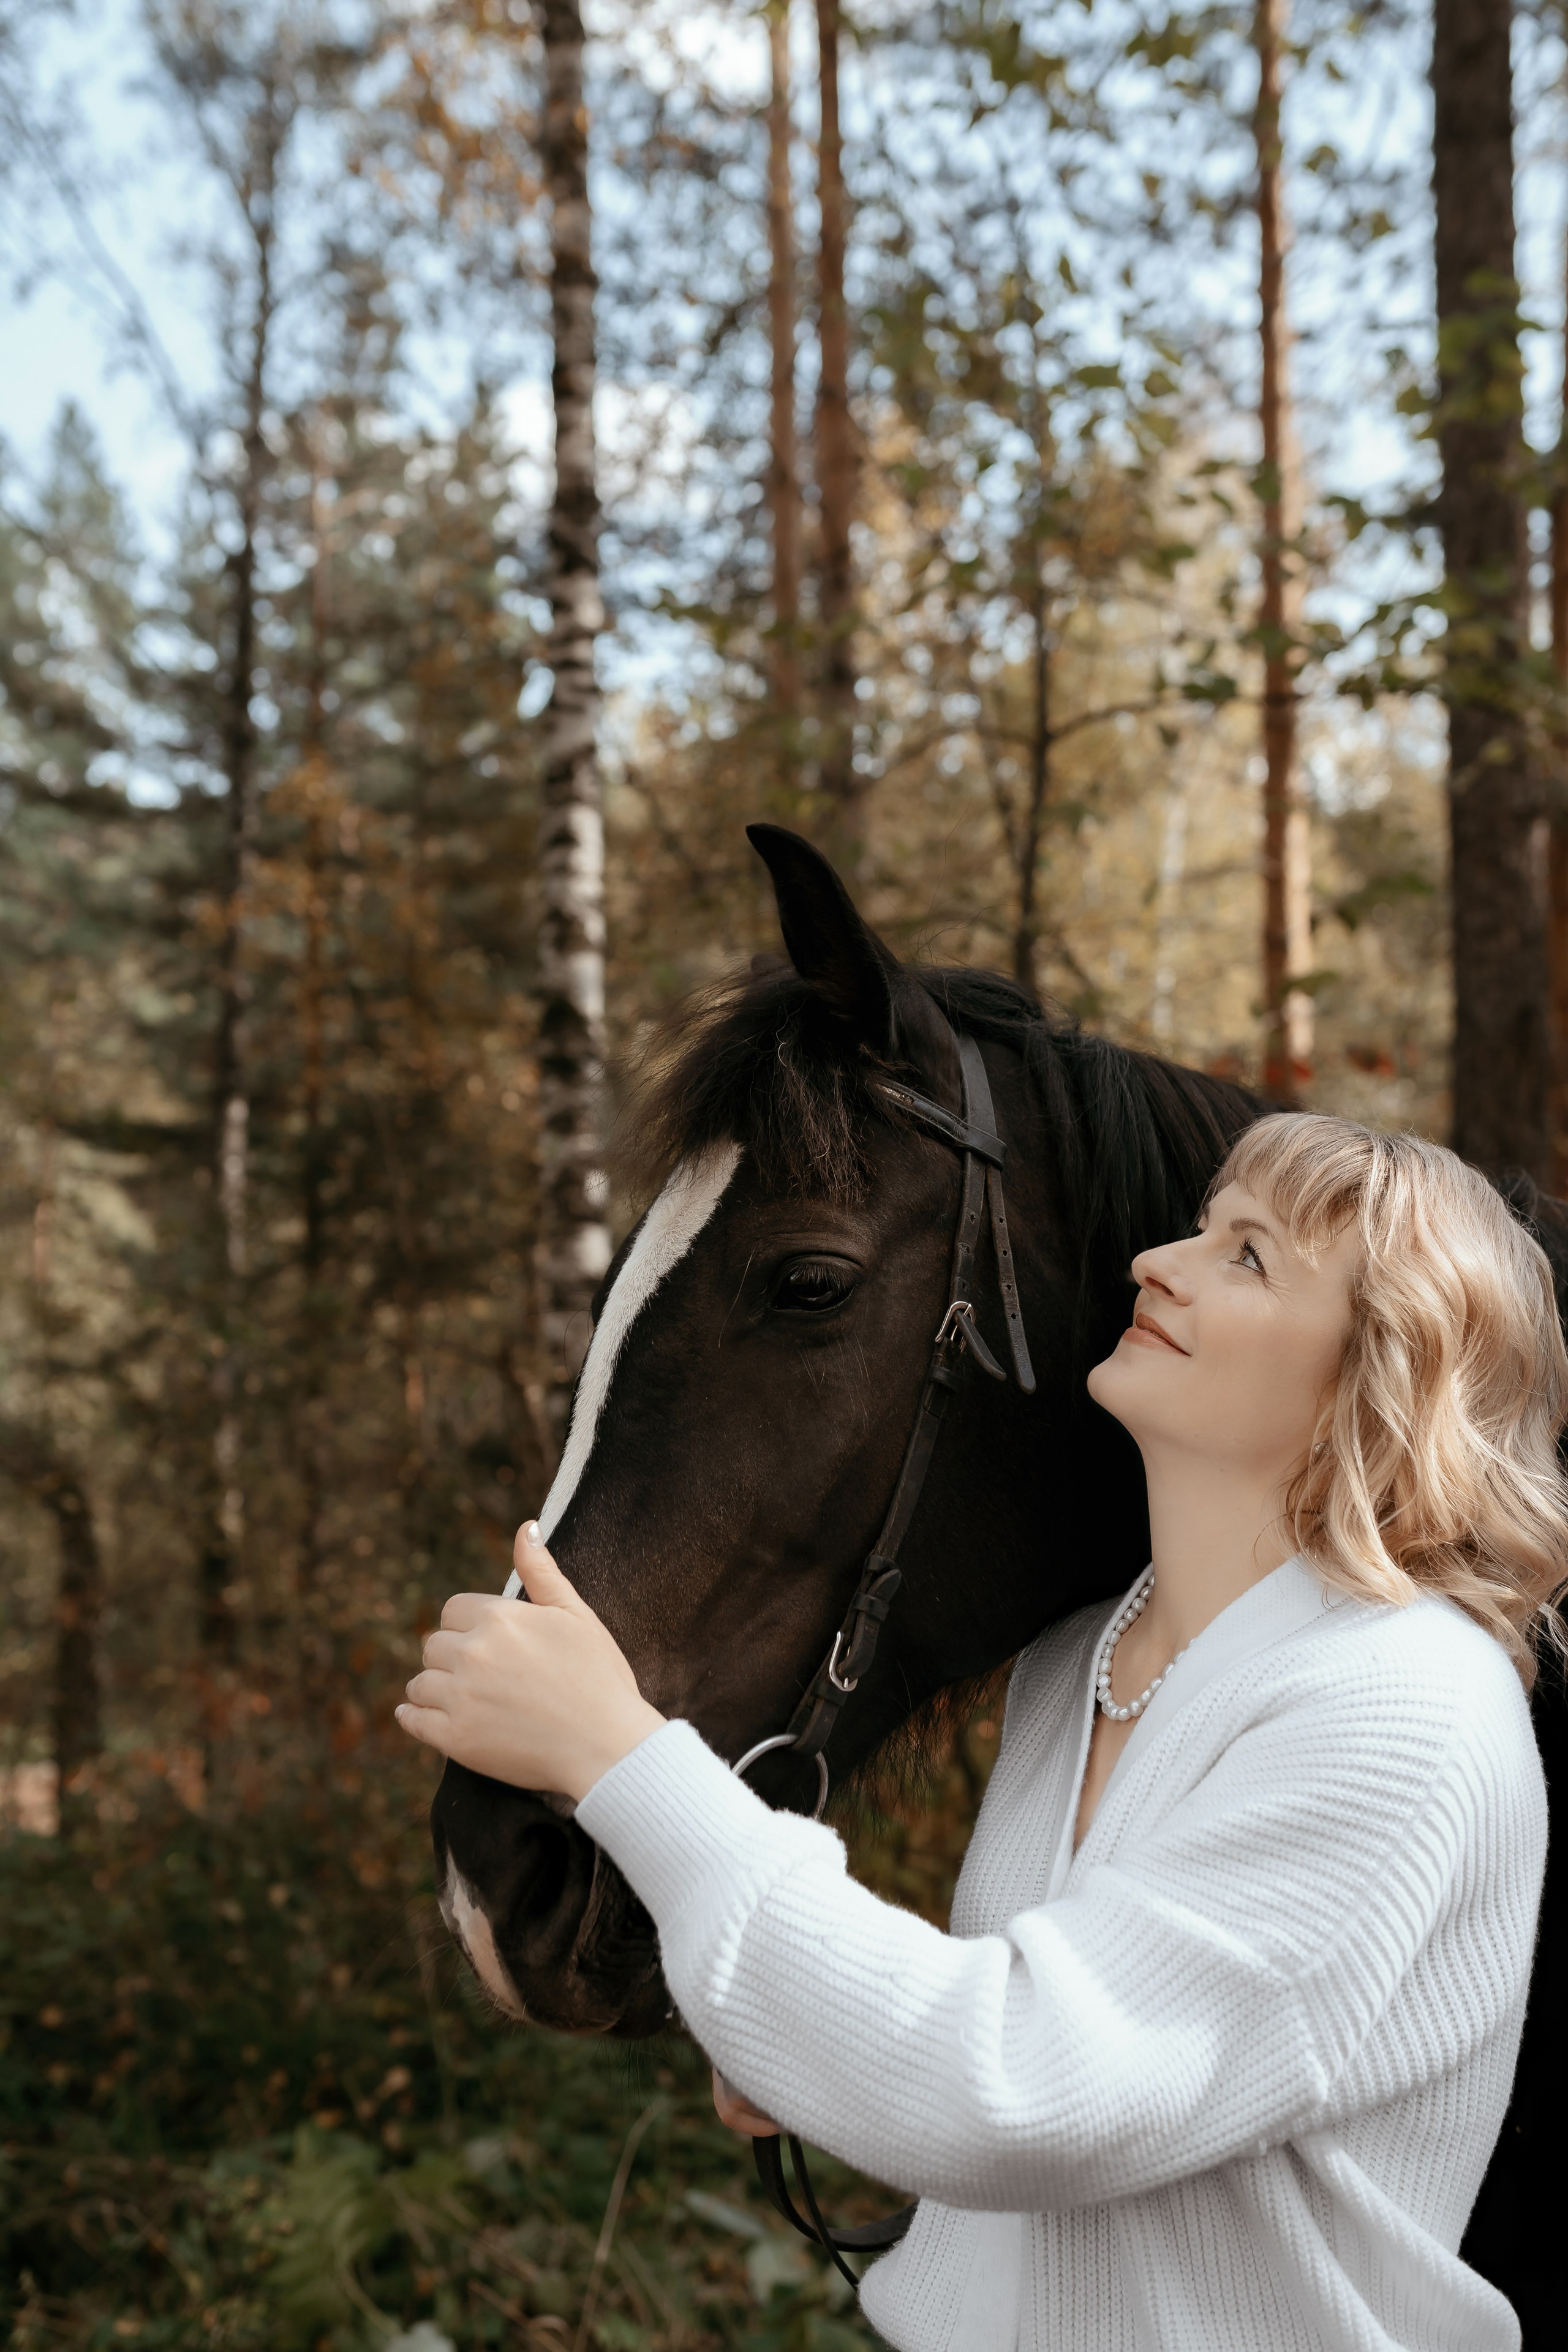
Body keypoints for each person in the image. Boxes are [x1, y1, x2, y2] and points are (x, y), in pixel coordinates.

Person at [396, 1114, 1565, 2351]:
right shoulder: (1080, 1666)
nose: (1158, 1262)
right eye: (1201, 1226)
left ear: (1372, 1379)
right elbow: (1026, 2056)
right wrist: (817, 2034)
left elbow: (1018, 2090)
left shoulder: (1403, 1707)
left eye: (1247, 1257)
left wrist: (616, 1756)